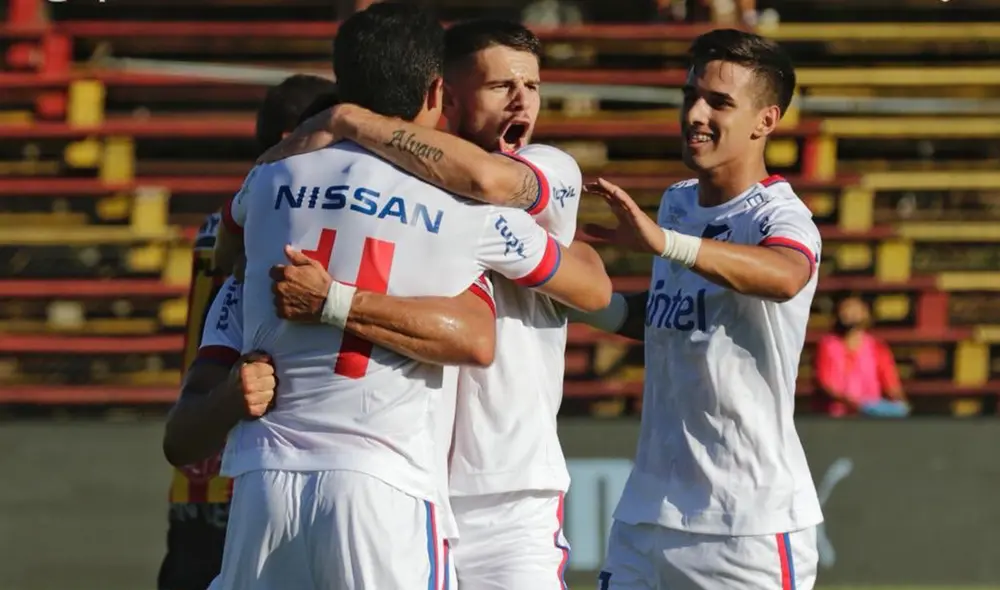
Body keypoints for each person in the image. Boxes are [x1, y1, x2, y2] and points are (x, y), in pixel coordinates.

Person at [211, 3, 611, 589]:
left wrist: (347, 120)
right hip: (406, 475)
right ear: (444, 91)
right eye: (502, 85)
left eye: (533, 85)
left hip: (504, 485)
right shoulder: (427, 192)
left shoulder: (543, 166)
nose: (522, 100)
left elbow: (580, 274)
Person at [572, 29, 824, 589]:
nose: (695, 114)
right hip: (647, 512)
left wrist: (666, 243)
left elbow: (786, 276)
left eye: (719, 102)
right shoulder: (679, 201)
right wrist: (566, 298)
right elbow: (666, 313)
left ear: (766, 121)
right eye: (691, 95)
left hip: (747, 528)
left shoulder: (781, 217)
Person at [156, 73, 335, 590]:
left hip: (199, 476)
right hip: (245, 471)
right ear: (289, 137)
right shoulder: (271, 221)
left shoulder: (226, 217)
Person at [815, 295, 909, 418]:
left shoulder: (877, 347)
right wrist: (851, 403)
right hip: (836, 415)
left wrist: (900, 403)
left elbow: (891, 384)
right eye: (845, 308)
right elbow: (825, 383)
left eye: (855, 308)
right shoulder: (827, 345)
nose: (849, 313)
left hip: (869, 415)